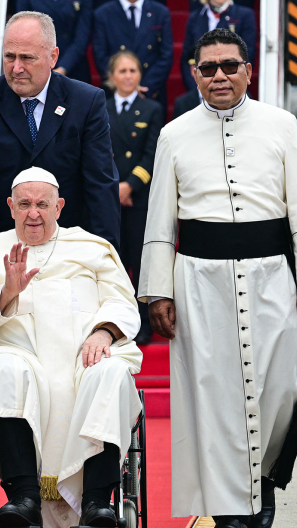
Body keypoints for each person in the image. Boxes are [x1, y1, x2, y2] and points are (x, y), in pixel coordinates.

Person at [138, 29, 297, 528]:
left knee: (283, 388)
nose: (220, 76)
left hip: (271, 274)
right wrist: (157, 290)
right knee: (213, 393)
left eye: (229, 65)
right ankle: (231, 509)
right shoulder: (173, 134)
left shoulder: (282, 124)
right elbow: (160, 220)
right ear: (195, 75)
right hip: (199, 281)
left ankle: (263, 479)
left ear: (248, 69)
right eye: (209, 68)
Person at [0, 167, 142, 528]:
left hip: (85, 356)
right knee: (2, 370)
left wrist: (104, 333)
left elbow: (123, 304)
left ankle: (96, 503)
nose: (34, 213)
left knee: (110, 372)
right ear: (10, 206)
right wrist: (6, 292)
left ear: (59, 206)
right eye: (24, 204)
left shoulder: (93, 248)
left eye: (42, 204)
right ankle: (24, 498)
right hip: (17, 354)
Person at [0, 10, 120, 249]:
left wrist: (105, 256)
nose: (16, 68)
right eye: (9, 57)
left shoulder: (86, 102)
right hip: (6, 248)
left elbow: (101, 185)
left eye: (27, 57)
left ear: (53, 57)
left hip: (72, 248)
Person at [105, 51, 162, 344]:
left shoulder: (151, 108)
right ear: (112, 76)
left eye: (133, 71)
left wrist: (130, 186)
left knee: (140, 263)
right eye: (122, 71)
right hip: (108, 196)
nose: (128, 76)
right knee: (114, 262)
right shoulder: (99, 107)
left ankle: (142, 323)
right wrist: (113, 186)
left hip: (138, 198)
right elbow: (96, 151)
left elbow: (153, 154)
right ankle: (114, 322)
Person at [92, 0, 173, 110]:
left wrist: (145, 86)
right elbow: (100, 55)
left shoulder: (160, 12)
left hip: (150, 93)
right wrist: (123, 84)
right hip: (115, 94)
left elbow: (166, 55)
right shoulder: (103, 13)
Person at [180, 0, 256, 93]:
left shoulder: (244, 15)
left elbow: (248, 56)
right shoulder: (195, 17)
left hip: (232, 85)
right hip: (201, 85)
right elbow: (187, 57)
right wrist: (197, 89)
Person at [16, 0, 93, 84]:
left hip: (73, 68)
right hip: (37, 67)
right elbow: (24, 31)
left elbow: (81, 39)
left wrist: (63, 68)